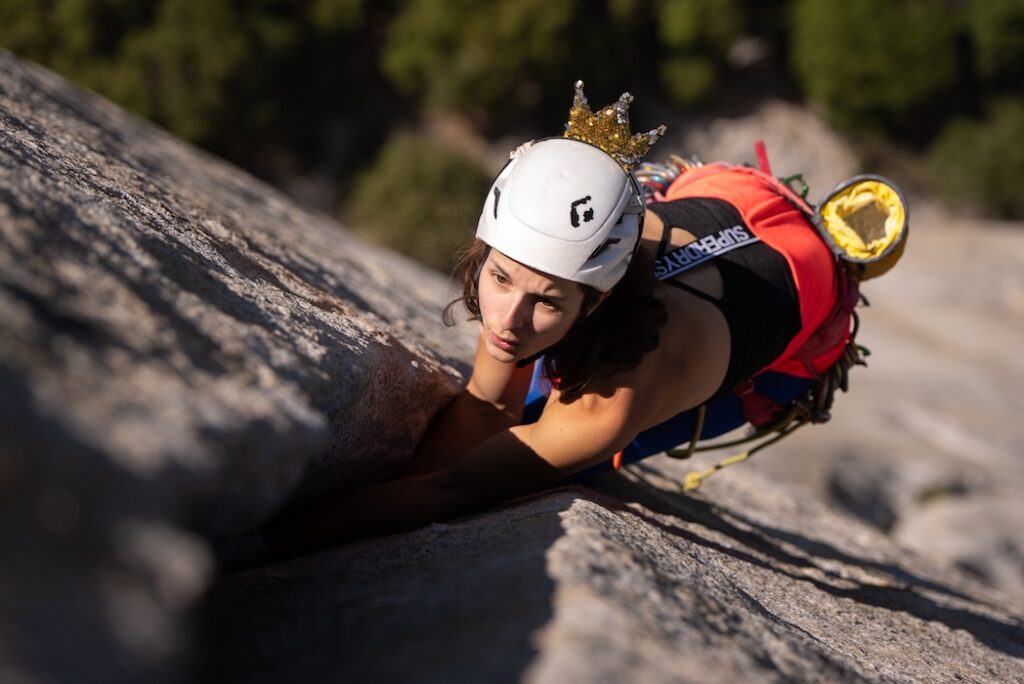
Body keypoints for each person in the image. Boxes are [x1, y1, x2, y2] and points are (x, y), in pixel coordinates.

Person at [259, 81, 857, 562]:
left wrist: (266, 544)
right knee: (525, 403)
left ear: (598, 300)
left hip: (809, 306)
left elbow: (451, 490)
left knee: (574, 454)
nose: (507, 322)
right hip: (725, 194)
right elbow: (485, 408)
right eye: (497, 279)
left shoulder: (613, 401)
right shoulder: (537, 260)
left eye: (546, 302)